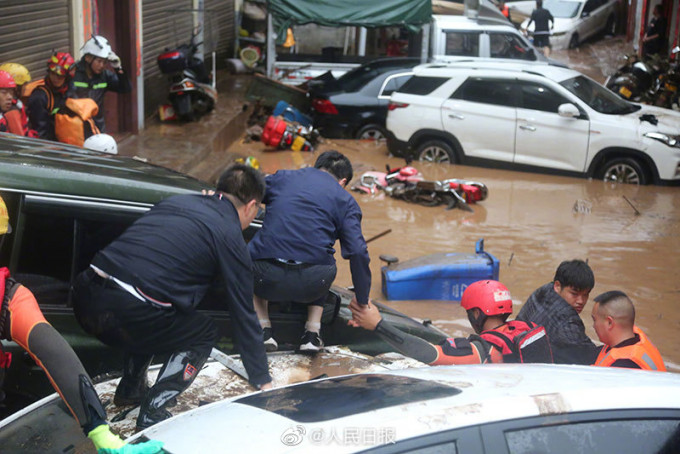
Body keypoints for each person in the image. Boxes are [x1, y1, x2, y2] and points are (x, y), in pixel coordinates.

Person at [72, 164, 273, 430]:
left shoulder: (178, 202)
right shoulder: (229, 233)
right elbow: (243, 312)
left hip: (85, 294)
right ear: (251, 205)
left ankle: (131, 388)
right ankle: (153, 411)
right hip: (126, 310)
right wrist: (262, 378)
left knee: (162, 310)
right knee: (201, 332)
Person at [0, 196, 162, 454]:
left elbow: (56, 355)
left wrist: (98, 429)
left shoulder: (9, 299)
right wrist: (99, 431)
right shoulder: (9, 298)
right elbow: (55, 354)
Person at [248, 150, 371, 353]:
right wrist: (363, 299)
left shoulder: (282, 178)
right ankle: (312, 334)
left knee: (250, 255)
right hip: (314, 283)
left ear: (317, 167)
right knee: (324, 259)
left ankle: (263, 329)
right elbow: (358, 252)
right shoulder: (346, 201)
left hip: (265, 277)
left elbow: (247, 188)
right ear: (342, 181)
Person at [349, 280, 552, 365]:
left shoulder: (484, 350)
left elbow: (428, 353)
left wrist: (378, 324)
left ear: (475, 313)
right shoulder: (526, 330)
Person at [517, 259, 602, 365]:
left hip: (518, 350)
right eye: (574, 293)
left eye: (585, 294)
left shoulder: (544, 290)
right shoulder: (568, 323)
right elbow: (590, 355)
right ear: (557, 286)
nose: (581, 301)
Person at [591, 290, 666, 371]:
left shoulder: (624, 367)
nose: (593, 326)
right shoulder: (632, 334)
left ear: (609, 322)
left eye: (595, 320)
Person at [73, 35, 132, 132]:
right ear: (88, 58)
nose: (102, 66)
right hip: (76, 128)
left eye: (105, 62)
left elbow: (126, 88)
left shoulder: (105, 76)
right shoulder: (73, 74)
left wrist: (118, 68)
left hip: (97, 128)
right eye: (99, 61)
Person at [27, 52, 76, 141]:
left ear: (67, 77)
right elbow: (40, 132)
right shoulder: (40, 97)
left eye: (59, 76)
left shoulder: (71, 90)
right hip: (52, 145)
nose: (55, 78)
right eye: (52, 73)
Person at [0, 69, 36, 138]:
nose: (9, 97)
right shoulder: (12, 110)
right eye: (4, 92)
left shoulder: (16, 105)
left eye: (11, 92)